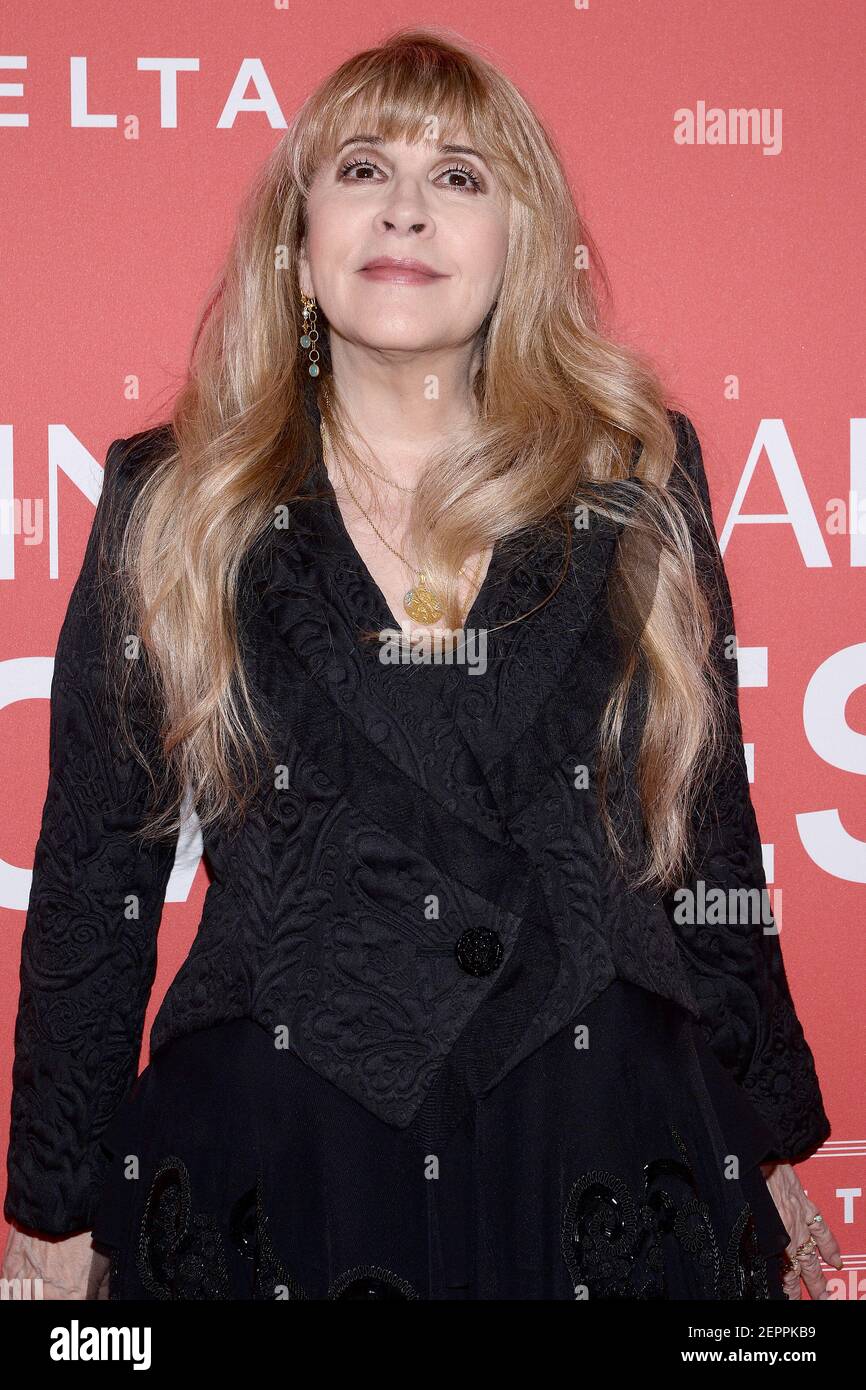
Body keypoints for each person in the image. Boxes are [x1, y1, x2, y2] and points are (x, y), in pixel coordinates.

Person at [2, 27, 839, 1302]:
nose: (404, 206)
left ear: (520, 242)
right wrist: (52, 1207)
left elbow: (703, 830)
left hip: (597, 1142)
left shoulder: (633, 477)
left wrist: (764, 1124)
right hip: (281, 1157)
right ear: (296, 238)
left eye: (458, 175)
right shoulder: (175, 502)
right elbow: (93, 881)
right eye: (360, 168)